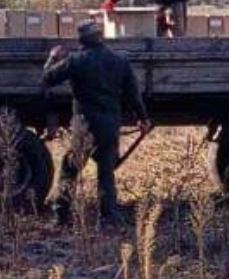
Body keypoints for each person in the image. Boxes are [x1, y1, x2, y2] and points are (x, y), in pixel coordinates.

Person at [43, 20, 152, 228]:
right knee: (106, 173)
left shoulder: (76, 61)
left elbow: (48, 78)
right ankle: (109, 218)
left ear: (81, 40)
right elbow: (133, 94)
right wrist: (143, 118)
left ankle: (61, 216)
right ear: (101, 36)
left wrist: (53, 57)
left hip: (84, 127)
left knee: (70, 170)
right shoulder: (120, 60)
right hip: (109, 125)